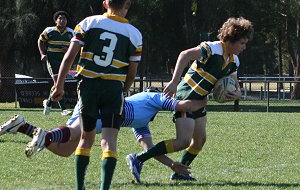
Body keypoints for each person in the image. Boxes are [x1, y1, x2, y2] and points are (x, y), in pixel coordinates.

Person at [127, 17, 254, 182]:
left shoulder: (234, 61)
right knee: (183, 141)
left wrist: (237, 94)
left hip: (200, 101)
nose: (244, 47)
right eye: (242, 43)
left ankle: (180, 173)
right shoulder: (211, 48)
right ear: (230, 39)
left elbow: (235, 85)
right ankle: (138, 158)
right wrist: (173, 82)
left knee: (199, 141)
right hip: (185, 97)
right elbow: (185, 54)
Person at [0, 91, 207, 178]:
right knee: (72, 134)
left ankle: (23, 126)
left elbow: (148, 149)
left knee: (65, 150)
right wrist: (206, 96)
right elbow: (182, 104)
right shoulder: (153, 97)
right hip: (103, 111)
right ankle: (45, 136)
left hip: (101, 113)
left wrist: (171, 164)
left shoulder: (143, 121)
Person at [50, 0, 142, 189]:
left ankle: (79, 187)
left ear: (104, 3)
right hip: (113, 89)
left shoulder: (88, 23)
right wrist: (123, 92)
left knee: (85, 139)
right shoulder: (134, 34)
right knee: (109, 142)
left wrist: (58, 85)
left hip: (89, 86)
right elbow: (132, 74)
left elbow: (68, 58)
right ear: (128, 5)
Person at [38, 10, 74, 116]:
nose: (62, 20)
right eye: (60, 18)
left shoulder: (71, 33)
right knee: (58, 84)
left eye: (64, 19)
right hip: (52, 60)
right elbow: (40, 41)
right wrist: (42, 54)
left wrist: (67, 50)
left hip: (64, 62)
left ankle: (48, 103)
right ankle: (63, 109)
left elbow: (76, 46)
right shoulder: (49, 31)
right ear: (56, 20)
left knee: (57, 85)